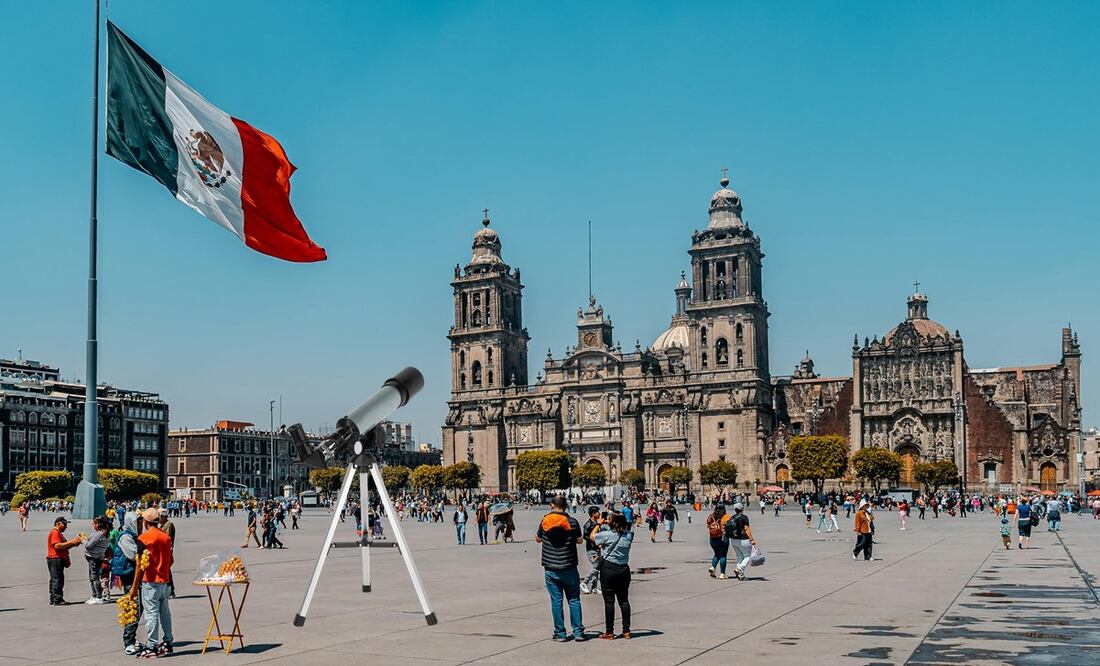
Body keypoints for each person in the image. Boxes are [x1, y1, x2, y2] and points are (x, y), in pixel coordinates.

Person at [535, 496, 585, 642]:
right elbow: (580, 540)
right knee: (574, 600)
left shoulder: (545, 521)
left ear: (552, 505)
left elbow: (538, 539)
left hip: (551, 567)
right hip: (569, 566)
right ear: (566, 506)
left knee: (556, 601)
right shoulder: (573, 522)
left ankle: (560, 633)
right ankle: (578, 632)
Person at [130, 507, 174, 658]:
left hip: (150, 581)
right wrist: (162, 568)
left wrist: (134, 588)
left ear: (145, 521)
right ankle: (168, 642)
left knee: (151, 614)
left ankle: (152, 646)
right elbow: (171, 560)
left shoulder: (144, 538)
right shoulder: (166, 537)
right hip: (165, 581)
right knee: (165, 613)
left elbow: (139, 565)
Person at [592, 512, 633, 639]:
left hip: (608, 569)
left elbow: (592, 536)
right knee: (624, 601)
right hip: (624, 569)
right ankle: (626, 630)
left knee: (609, 602)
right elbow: (627, 530)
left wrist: (599, 524)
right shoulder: (629, 536)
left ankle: (609, 632)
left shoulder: (608, 535)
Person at [113, 513, 144, 655]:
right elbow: (134, 556)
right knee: (132, 609)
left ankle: (132, 638)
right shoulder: (126, 537)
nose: (141, 525)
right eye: (138, 522)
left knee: (138, 608)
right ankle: (128, 641)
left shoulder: (133, 536)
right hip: (129, 577)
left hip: (134, 576)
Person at [46, 516, 85, 605]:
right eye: (64, 524)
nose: (66, 526)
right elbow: (57, 546)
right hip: (55, 558)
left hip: (56, 558)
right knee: (57, 579)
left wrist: (74, 543)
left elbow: (63, 546)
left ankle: (54, 598)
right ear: (58, 524)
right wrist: (71, 542)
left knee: (55, 579)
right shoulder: (55, 532)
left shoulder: (58, 533)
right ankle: (57, 599)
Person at [83, 516, 112, 604]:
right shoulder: (104, 533)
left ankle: (98, 596)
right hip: (97, 557)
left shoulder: (99, 534)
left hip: (94, 558)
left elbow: (88, 545)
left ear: (98, 524)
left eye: (94, 523)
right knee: (92, 577)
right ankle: (94, 595)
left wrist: (82, 540)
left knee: (94, 577)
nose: (92, 525)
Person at [725, 503, 756, 580]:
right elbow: (746, 529)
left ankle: (740, 574)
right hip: (743, 539)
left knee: (739, 556)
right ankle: (740, 569)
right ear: (742, 508)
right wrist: (752, 539)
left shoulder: (732, 517)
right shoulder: (744, 517)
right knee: (748, 556)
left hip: (734, 540)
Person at [580, 507, 602, 595]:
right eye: (597, 512)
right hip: (592, 549)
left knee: (596, 567)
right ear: (593, 514)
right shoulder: (588, 524)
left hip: (597, 549)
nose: (599, 513)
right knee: (596, 567)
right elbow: (585, 536)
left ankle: (594, 587)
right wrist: (594, 541)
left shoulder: (597, 523)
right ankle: (584, 582)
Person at [706, 504, 731, 579]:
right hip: (723, 538)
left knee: (717, 554)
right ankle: (722, 573)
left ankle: (713, 567)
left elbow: (708, 525)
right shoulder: (726, 517)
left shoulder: (711, 516)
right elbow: (730, 526)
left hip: (713, 538)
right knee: (723, 555)